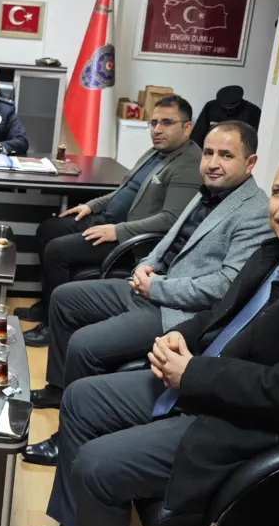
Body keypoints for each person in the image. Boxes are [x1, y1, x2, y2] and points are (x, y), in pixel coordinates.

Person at [0, 143, 279, 526]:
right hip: (208, 381)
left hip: (246, 425)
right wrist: (182, 337)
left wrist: (192, 374)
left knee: (96, 463)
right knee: (81, 397)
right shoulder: (278, 251)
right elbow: (222, 312)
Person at [24, 121, 272, 465]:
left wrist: (157, 287)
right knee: (64, 298)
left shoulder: (256, 212)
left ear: (250, 162)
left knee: (84, 343)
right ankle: (57, 389)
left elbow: (224, 287)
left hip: (177, 311)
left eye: (226, 155)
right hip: (148, 286)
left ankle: (66, 438)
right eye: (209, 153)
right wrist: (147, 265)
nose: (213, 163)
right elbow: (169, 239)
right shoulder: (208, 191)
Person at [19, 95, 202, 346]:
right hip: (108, 222)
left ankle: (53, 327)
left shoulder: (189, 163)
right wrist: (91, 205)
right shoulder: (155, 153)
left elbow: (171, 220)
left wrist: (119, 231)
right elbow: (125, 189)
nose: (157, 129)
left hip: (132, 241)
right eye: (153, 123)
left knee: (56, 250)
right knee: (48, 229)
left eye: (167, 123)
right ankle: (47, 304)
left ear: (187, 127)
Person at [191, 84, 261, 147]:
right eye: (225, 108)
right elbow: (198, 133)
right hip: (212, 146)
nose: (228, 111)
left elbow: (253, 140)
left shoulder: (253, 111)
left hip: (237, 149)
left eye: (231, 108)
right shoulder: (211, 107)